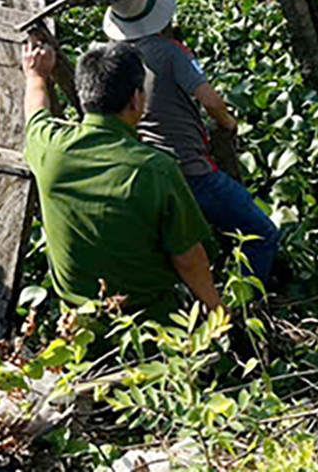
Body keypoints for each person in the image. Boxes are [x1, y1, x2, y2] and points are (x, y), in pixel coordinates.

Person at [21, 36, 221, 321]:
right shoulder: (157, 169)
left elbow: (35, 113)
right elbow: (189, 260)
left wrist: (35, 74)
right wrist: (218, 312)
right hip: (152, 325)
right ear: (136, 98)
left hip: (78, 328)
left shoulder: (50, 150)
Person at [103, 0, 282, 287]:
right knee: (262, 233)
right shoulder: (172, 52)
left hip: (146, 176)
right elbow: (210, 100)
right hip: (192, 172)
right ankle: (245, 304)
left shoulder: (112, 57)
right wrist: (229, 123)